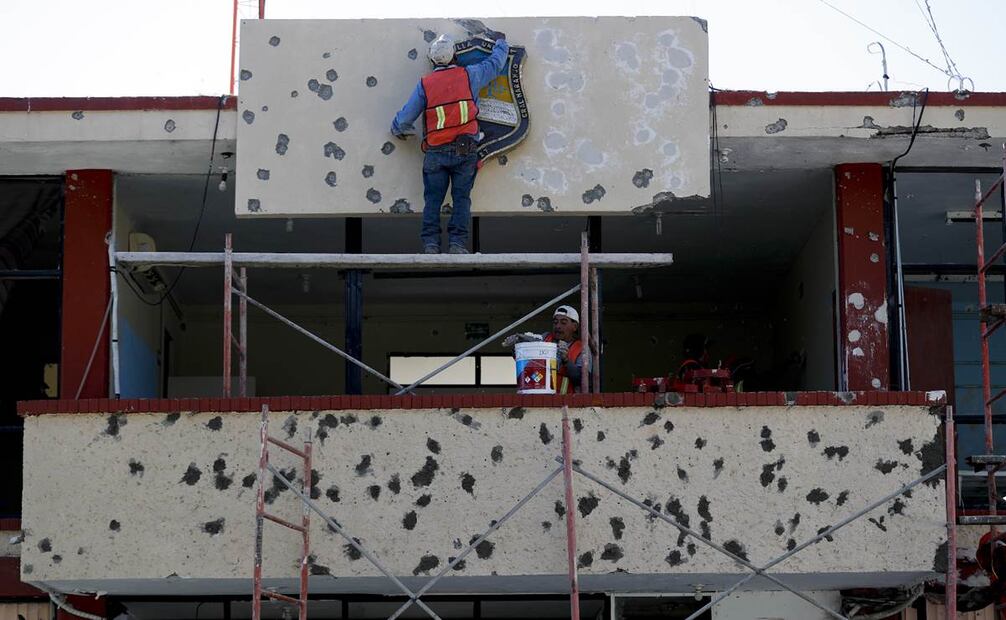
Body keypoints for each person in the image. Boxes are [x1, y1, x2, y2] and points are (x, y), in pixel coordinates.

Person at [391, 31, 510, 254]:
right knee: (461, 199)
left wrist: (399, 129)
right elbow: (495, 64)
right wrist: (501, 42)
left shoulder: (426, 84)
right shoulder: (469, 75)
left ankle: (430, 244)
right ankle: (457, 244)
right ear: (455, 56)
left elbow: (405, 117)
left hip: (435, 152)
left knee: (433, 200)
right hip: (465, 151)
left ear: (432, 60)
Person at [502, 305, 591, 394]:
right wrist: (518, 345)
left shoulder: (581, 349)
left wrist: (566, 361)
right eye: (555, 322)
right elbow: (529, 358)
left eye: (563, 323)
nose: (558, 326)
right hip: (540, 397)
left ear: (574, 326)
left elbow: (583, 379)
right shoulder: (545, 339)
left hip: (566, 400)